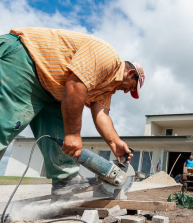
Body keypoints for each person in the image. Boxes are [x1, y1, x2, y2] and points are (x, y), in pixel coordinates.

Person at [0, 27, 145, 195]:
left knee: (59, 134)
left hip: (52, 92)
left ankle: (65, 184)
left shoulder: (106, 88)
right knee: (5, 124)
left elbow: (102, 115)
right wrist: (73, 134)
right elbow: (75, 86)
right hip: (26, 59)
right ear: (130, 73)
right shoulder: (108, 57)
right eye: (131, 87)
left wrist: (115, 142)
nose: (127, 92)